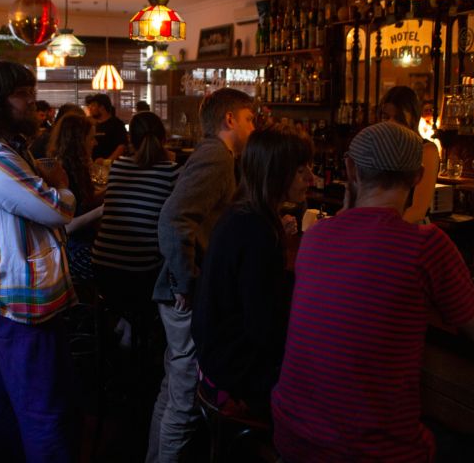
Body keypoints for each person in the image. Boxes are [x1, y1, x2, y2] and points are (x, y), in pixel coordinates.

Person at [272, 121, 474, 462]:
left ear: (350, 169)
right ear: (418, 176)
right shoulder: (426, 246)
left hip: (291, 437)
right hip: (372, 453)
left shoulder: (316, 238)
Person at [0, 61, 79, 462]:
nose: (34, 102)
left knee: (5, 398)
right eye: (23, 95)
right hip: (18, 302)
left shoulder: (5, 147)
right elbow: (56, 211)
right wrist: (62, 186)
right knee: (44, 410)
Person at [147, 88, 256, 463]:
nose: (252, 127)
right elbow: (173, 218)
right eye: (249, 118)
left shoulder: (215, 155)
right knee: (185, 399)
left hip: (179, 290)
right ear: (230, 120)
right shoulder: (217, 157)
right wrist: (185, 281)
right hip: (184, 295)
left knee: (172, 391)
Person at [192, 128, 313, 417]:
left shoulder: (241, 215)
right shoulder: (256, 231)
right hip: (235, 371)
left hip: (214, 359)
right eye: (300, 170)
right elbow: (264, 329)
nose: (310, 177)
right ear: (275, 173)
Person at [93, 111, 181, 309]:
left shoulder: (118, 166)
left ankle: (126, 324)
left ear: (130, 139)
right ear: (164, 138)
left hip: (102, 266)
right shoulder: (172, 171)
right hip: (140, 271)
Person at [47, 112, 104, 284]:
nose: (95, 143)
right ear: (79, 141)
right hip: (70, 252)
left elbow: (83, 202)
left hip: (82, 244)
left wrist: (114, 189)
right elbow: (66, 228)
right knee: (115, 264)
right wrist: (101, 210)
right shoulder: (60, 173)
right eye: (91, 138)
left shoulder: (77, 168)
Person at [380, 86, 440, 224]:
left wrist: (380, 230)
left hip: (408, 230)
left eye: (399, 118)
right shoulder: (381, 148)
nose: (391, 123)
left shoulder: (426, 150)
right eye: (386, 117)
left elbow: (418, 210)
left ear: (413, 117)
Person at [87, 93, 128, 162]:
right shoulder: (90, 124)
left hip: (111, 167)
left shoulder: (116, 124)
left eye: (93, 105)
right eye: (89, 105)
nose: (90, 108)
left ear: (102, 107)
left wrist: (107, 162)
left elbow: (121, 146)